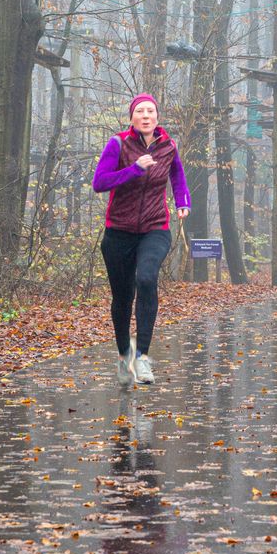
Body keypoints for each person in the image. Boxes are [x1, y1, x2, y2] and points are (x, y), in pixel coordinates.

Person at [93, 94, 190, 386]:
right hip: (119, 231)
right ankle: (125, 355)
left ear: (157, 117)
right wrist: (134, 169)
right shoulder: (118, 144)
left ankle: (143, 358)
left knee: (147, 279)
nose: (146, 116)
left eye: (151, 111)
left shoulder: (168, 146)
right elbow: (100, 182)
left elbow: (177, 175)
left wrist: (183, 201)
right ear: (132, 118)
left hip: (155, 227)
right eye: (140, 111)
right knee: (123, 297)